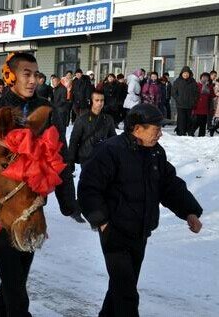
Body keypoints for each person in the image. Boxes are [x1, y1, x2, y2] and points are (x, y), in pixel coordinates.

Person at [78, 103, 203, 316]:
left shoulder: (155, 153)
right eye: (156, 129)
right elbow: (89, 188)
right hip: (114, 233)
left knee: (119, 289)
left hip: (140, 232)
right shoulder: (110, 151)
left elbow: (169, 185)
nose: (161, 134)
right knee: (126, 294)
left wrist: (190, 211)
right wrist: (102, 221)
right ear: (137, 129)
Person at [0, 52, 78, 317]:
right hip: (0, 210)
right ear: (9, 75)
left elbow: (62, 158)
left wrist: (69, 204)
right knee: (15, 289)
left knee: (16, 281)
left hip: (33, 208)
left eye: (36, 74)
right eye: (26, 74)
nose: (33, 80)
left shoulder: (47, 111)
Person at [68, 90, 116, 172]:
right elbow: (74, 141)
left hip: (103, 157)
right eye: (97, 100)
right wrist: (70, 161)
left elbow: (113, 139)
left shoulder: (108, 119)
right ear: (91, 101)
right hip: (86, 157)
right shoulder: (82, 119)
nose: (100, 103)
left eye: (102, 100)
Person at [172, 66, 199, 136]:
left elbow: (197, 93)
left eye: (187, 73)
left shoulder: (193, 82)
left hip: (190, 105)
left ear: (189, 74)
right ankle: (181, 133)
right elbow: (173, 93)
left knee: (189, 120)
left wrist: (194, 101)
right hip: (180, 105)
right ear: (182, 73)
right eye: (184, 73)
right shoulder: (177, 81)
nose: (186, 74)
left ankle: (189, 132)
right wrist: (178, 99)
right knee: (181, 120)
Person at [190, 72, 214, 137]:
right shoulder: (197, 85)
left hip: (205, 107)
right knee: (197, 122)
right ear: (201, 78)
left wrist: (210, 88)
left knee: (203, 123)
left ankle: (201, 136)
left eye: (207, 77)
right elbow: (193, 95)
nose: (205, 79)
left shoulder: (209, 86)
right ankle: (191, 132)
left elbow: (212, 96)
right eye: (204, 77)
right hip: (197, 106)